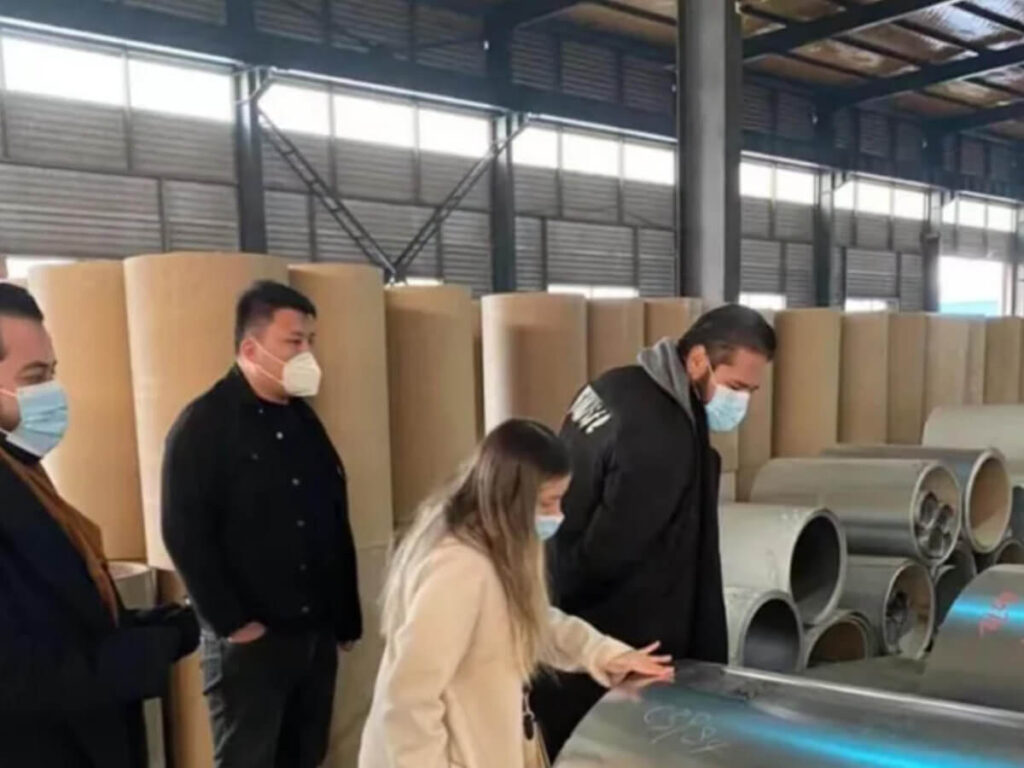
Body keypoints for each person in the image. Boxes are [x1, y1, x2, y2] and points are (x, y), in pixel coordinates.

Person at [533, 303, 776, 758]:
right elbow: (613, 552)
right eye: (737, 386)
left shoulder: (613, 385)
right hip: (616, 651)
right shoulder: (662, 433)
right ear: (699, 360)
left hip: (560, 613)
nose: (742, 401)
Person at [358, 418, 674, 768]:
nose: (559, 515)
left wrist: (603, 654)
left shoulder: (494, 545)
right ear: (511, 499)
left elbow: (531, 618)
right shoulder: (459, 568)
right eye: (548, 503)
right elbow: (408, 697)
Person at [162, 280, 361, 768]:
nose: (307, 353)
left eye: (310, 341)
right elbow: (184, 531)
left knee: (305, 755)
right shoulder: (204, 425)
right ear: (251, 347)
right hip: (252, 645)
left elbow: (332, 517)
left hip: (313, 635)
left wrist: (345, 615)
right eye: (294, 342)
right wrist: (235, 624)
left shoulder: (303, 422)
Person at [0, 283, 198, 768]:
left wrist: (168, 621)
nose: (51, 392)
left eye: (53, 373)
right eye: (34, 376)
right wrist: (157, 645)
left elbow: (62, 616)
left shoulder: (19, 465)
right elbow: (22, 678)